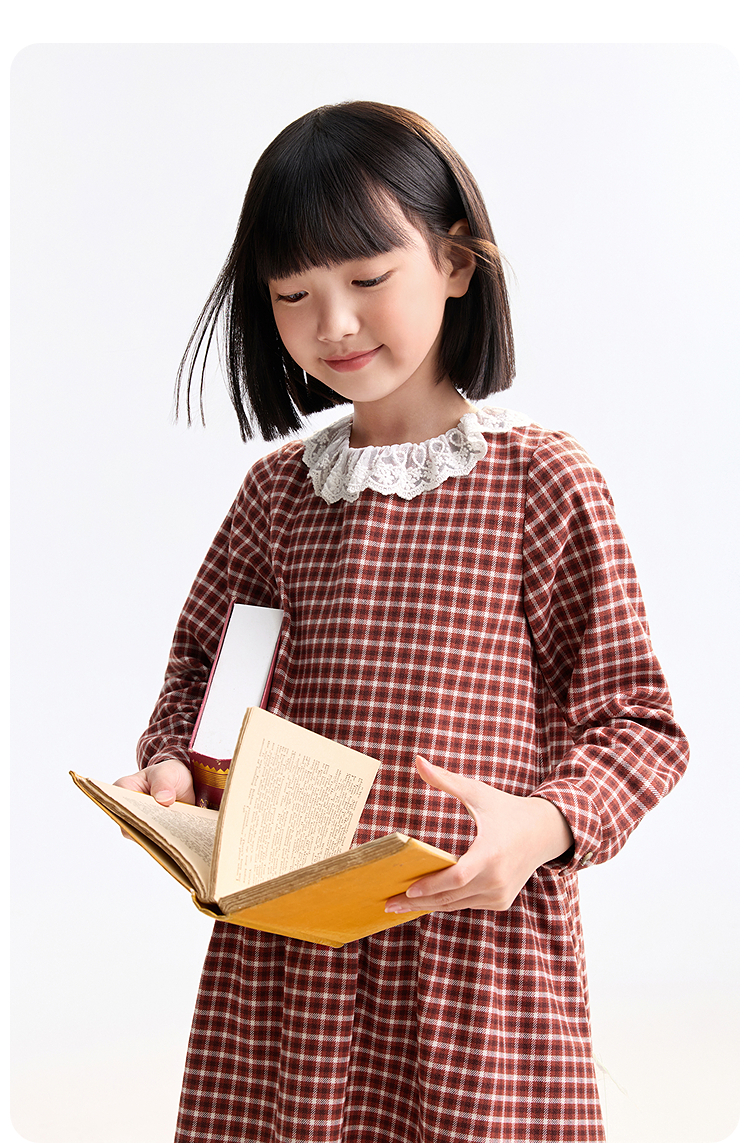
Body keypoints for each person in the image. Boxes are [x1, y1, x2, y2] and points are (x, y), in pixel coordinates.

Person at [115, 101, 688, 1143]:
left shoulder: (539, 482)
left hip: (471, 949)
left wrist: (539, 827)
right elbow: (206, 676)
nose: (334, 324)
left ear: (456, 263)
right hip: (291, 954)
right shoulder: (277, 495)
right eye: (294, 294)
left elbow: (638, 725)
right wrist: (174, 771)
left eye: (369, 278)